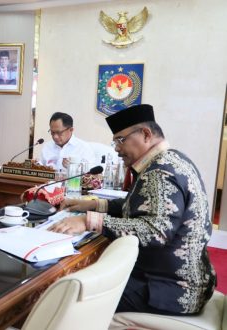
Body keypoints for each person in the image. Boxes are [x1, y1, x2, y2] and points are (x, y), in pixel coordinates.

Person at [50, 104, 216, 316]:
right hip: (185, 280)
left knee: (74, 295)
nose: (116, 148)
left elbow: (156, 231)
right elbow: (142, 205)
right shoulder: (172, 159)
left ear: (146, 134)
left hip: (171, 289)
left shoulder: (159, 172)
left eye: (120, 140)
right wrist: (94, 204)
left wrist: (87, 220)